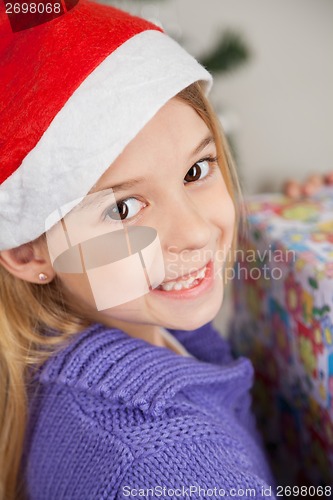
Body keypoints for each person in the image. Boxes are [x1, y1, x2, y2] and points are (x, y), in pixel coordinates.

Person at [0, 1, 292, 499]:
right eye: (123, 208)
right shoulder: (165, 467)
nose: (196, 232)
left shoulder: (79, 338)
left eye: (196, 171)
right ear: (30, 252)